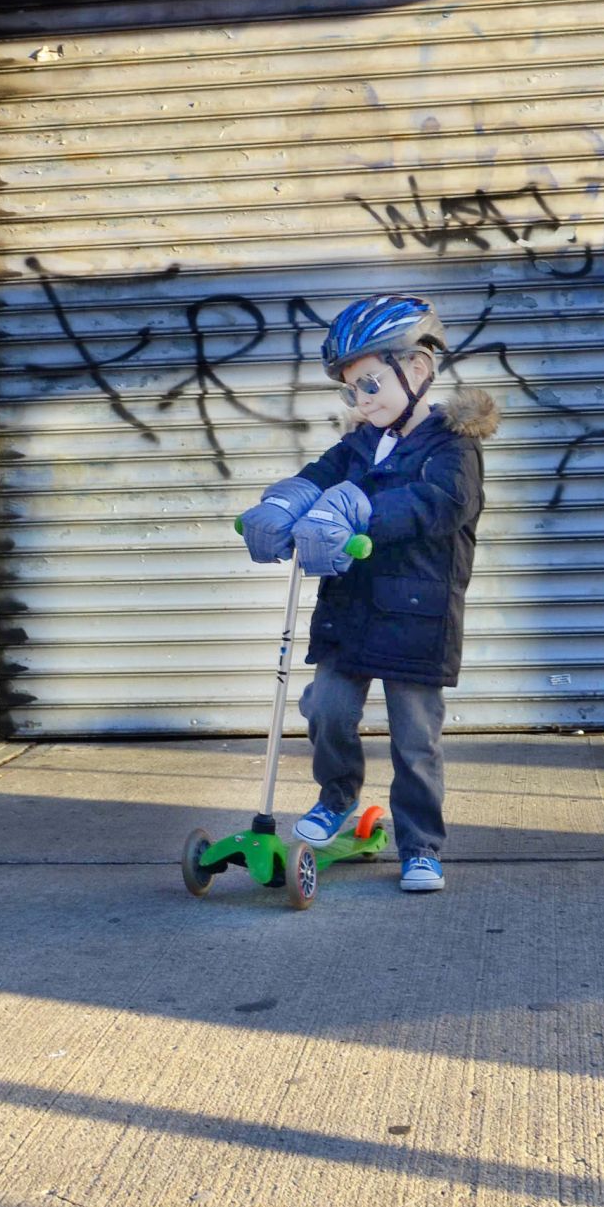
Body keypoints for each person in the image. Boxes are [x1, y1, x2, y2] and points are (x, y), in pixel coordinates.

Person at [239, 293, 498, 893]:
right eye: (352, 389)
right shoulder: (357, 444)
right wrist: (280, 505)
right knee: (326, 709)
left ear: (416, 369)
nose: (363, 399)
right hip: (350, 612)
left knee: (415, 741)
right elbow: (317, 479)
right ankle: (337, 798)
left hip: (417, 614)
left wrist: (359, 512)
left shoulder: (453, 446)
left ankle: (421, 847)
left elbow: (440, 504)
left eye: (372, 382)